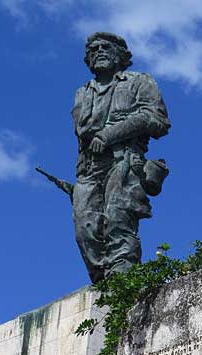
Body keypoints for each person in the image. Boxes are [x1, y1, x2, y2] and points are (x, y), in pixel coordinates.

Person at [71, 32, 170, 282]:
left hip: (124, 160)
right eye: (94, 49)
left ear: (120, 55)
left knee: (118, 221)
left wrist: (110, 134)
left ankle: (121, 285)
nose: (99, 51)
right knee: (85, 229)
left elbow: (157, 120)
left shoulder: (139, 82)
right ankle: (103, 283)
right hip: (89, 169)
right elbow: (81, 130)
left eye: (106, 46)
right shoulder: (83, 93)